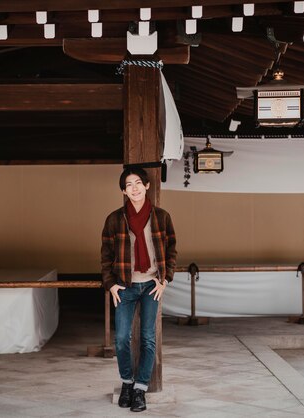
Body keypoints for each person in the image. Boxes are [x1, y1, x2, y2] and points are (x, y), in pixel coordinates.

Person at [101, 167, 177, 413]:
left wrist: (165, 279)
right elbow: (106, 255)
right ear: (123, 190)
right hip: (125, 285)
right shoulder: (114, 219)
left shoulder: (162, 216)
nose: (133, 188)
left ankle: (140, 389)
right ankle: (126, 383)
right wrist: (111, 284)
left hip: (152, 284)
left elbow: (171, 250)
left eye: (137, 183)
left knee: (147, 338)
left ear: (147, 186)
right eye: (128, 184)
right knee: (122, 338)